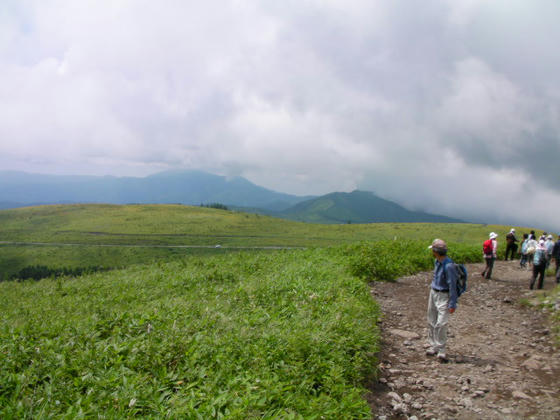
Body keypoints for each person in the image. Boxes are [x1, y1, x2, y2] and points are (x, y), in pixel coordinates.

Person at [426, 239, 458, 362]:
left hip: (444, 295)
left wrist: (452, 303)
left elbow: (453, 285)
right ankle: (433, 345)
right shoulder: (437, 262)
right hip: (434, 292)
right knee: (431, 319)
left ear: (435, 251)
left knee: (441, 323)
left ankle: (441, 350)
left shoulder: (449, 266)